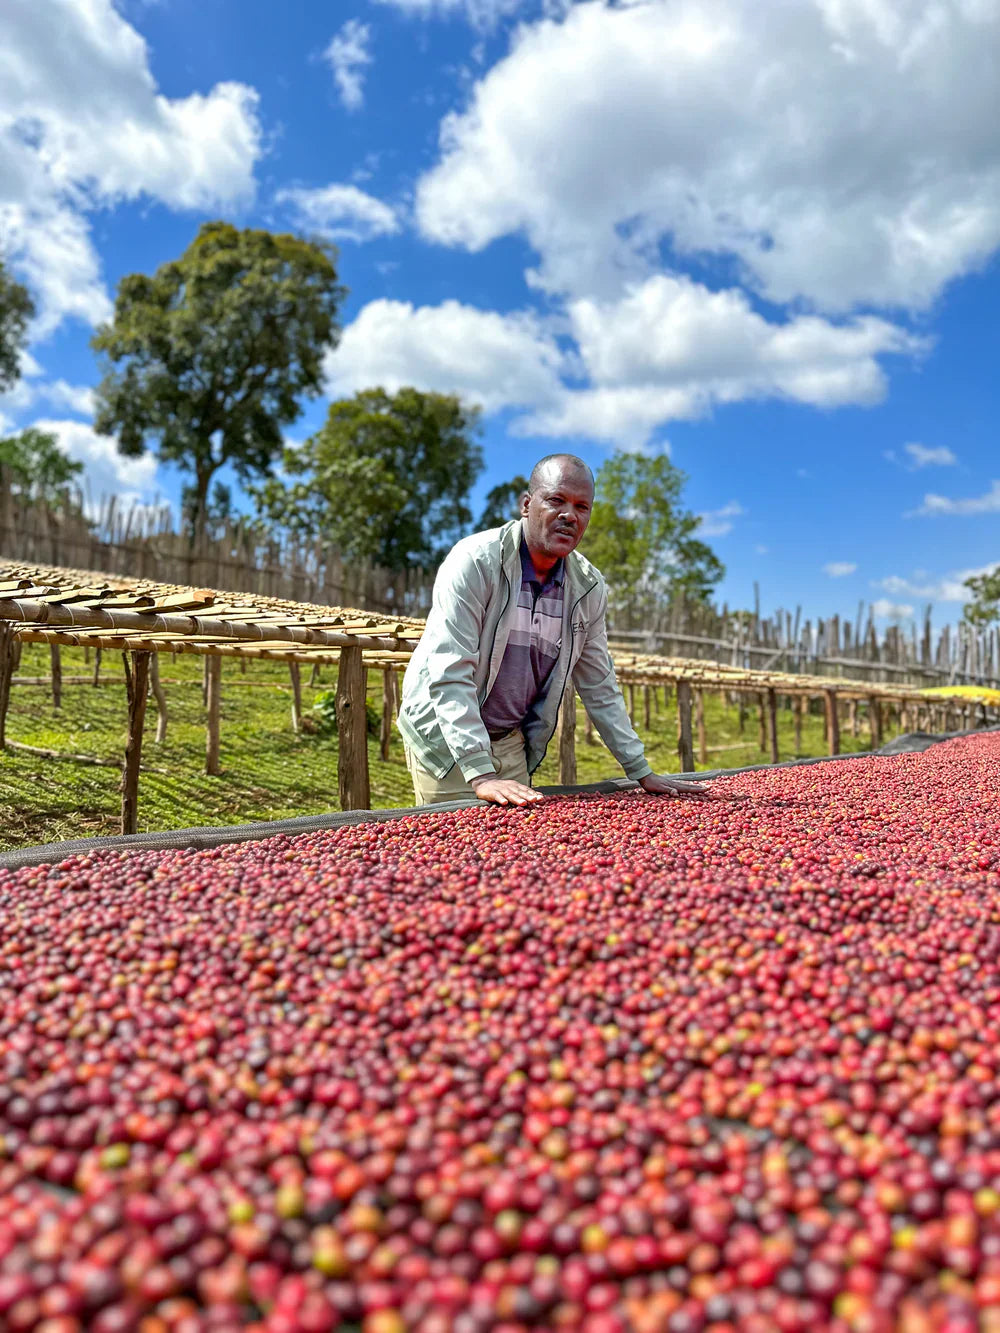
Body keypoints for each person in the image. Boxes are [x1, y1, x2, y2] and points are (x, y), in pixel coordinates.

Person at [397, 453, 712, 806]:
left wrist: (639, 769)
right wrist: (480, 773)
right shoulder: (476, 562)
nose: (569, 515)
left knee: (509, 854)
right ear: (527, 505)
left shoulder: (587, 587)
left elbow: (598, 683)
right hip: (446, 739)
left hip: (509, 742)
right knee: (455, 852)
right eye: (556, 500)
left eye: (582, 507)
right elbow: (450, 670)